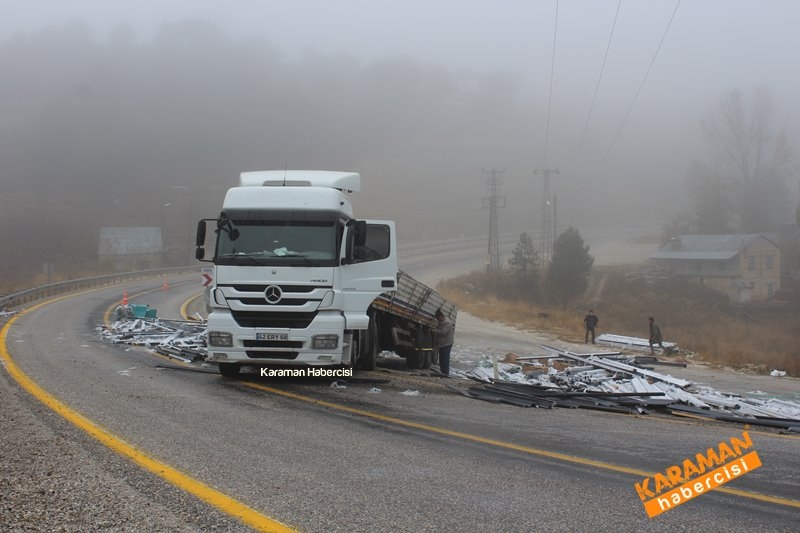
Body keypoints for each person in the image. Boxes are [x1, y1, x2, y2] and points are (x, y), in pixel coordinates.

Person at [433, 309, 455, 377]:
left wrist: (435, 331)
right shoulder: (442, 321)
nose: (437, 319)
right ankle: (443, 372)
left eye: (437, 318)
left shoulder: (447, 322)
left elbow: (443, 332)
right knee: (442, 359)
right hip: (443, 344)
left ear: (441, 316)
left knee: (445, 359)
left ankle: (445, 373)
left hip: (446, 344)